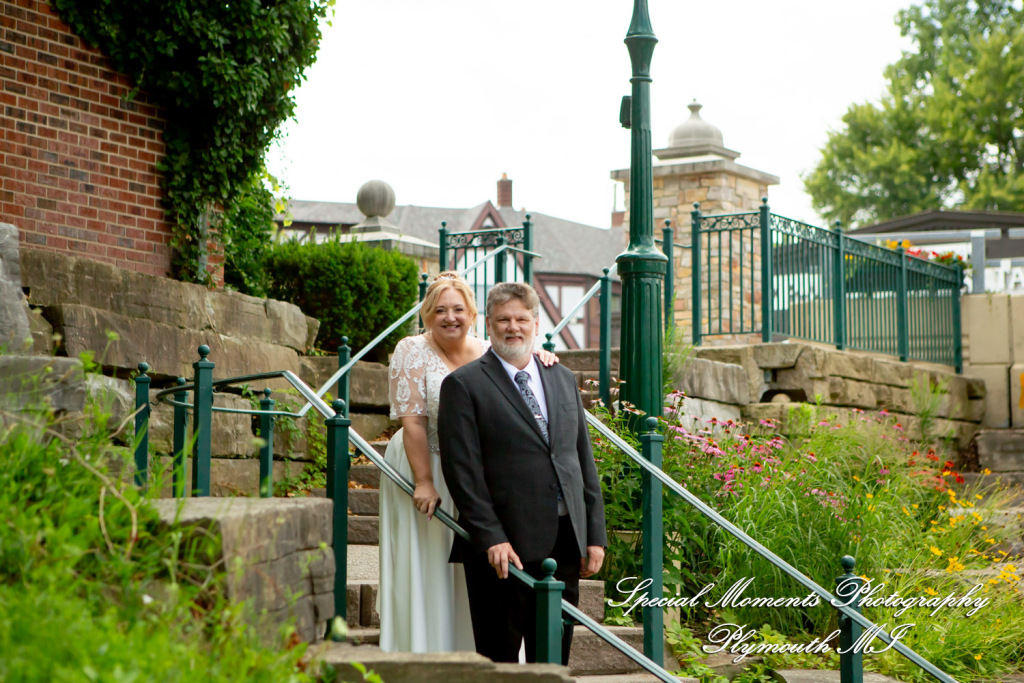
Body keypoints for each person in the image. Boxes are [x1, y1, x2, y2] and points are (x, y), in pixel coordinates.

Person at [376, 272, 558, 653]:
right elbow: (413, 423)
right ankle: (425, 649)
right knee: (432, 566)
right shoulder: (411, 350)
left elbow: (518, 365)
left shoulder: (485, 349)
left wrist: (539, 356)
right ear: (427, 314)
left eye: (458, 309)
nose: (450, 317)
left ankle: (473, 650)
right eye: (440, 310)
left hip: (474, 471)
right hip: (425, 461)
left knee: (475, 566)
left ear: (473, 314)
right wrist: (424, 481)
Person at [437, 281, 607, 666]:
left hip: (565, 540)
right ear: (490, 326)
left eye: (521, 319)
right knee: (499, 657)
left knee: (554, 653)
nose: (513, 327)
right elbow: (462, 471)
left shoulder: (563, 379)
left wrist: (593, 534)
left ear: (535, 323)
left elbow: (581, 459)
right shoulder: (463, 385)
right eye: (503, 320)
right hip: (503, 548)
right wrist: (491, 537)